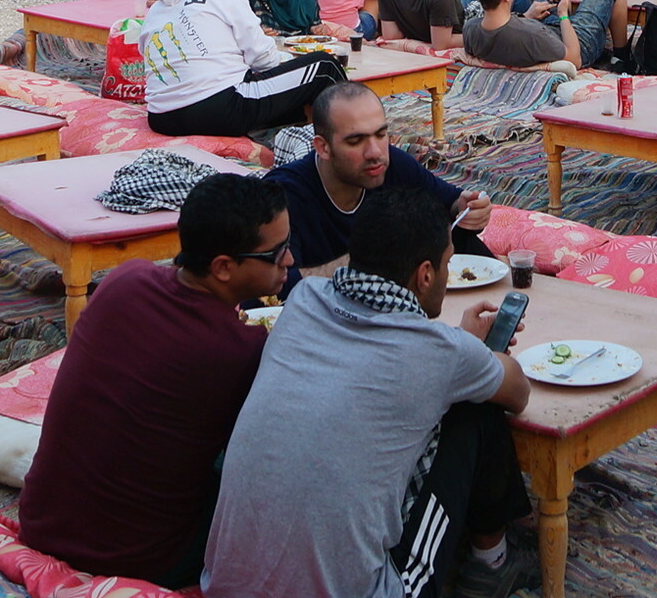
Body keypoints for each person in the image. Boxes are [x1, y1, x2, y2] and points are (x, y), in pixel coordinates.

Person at [204, 186, 534, 598]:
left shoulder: (304, 302)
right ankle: (492, 564)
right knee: (475, 408)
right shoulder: (440, 353)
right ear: (426, 274)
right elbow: (517, 391)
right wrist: (472, 352)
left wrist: (457, 348)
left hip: (225, 586)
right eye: (448, 264)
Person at [19, 175, 288, 590]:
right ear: (223, 267)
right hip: (143, 559)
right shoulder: (239, 350)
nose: (289, 261)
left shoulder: (124, 280)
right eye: (277, 253)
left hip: (40, 523)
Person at [265, 81, 492, 282]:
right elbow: (270, 288)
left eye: (381, 135)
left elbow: (450, 205)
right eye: (356, 141)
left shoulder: (391, 164)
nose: (374, 152)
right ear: (323, 147)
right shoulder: (283, 194)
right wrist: (370, 262)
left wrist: (467, 209)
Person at [126, 0, 346, 137]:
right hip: (217, 108)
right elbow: (264, 59)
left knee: (283, 95)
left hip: (161, 117)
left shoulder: (158, 7)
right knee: (324, 66)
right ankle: (353, 135)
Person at [461, 0, 629, 71]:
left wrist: (528, 16)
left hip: (544, 27)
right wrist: (563, 15)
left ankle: (560, 8)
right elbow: (574, 59)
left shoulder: (470, 29)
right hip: (578, 41)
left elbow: (505, 30)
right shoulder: (530, 35)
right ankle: (621, 57)